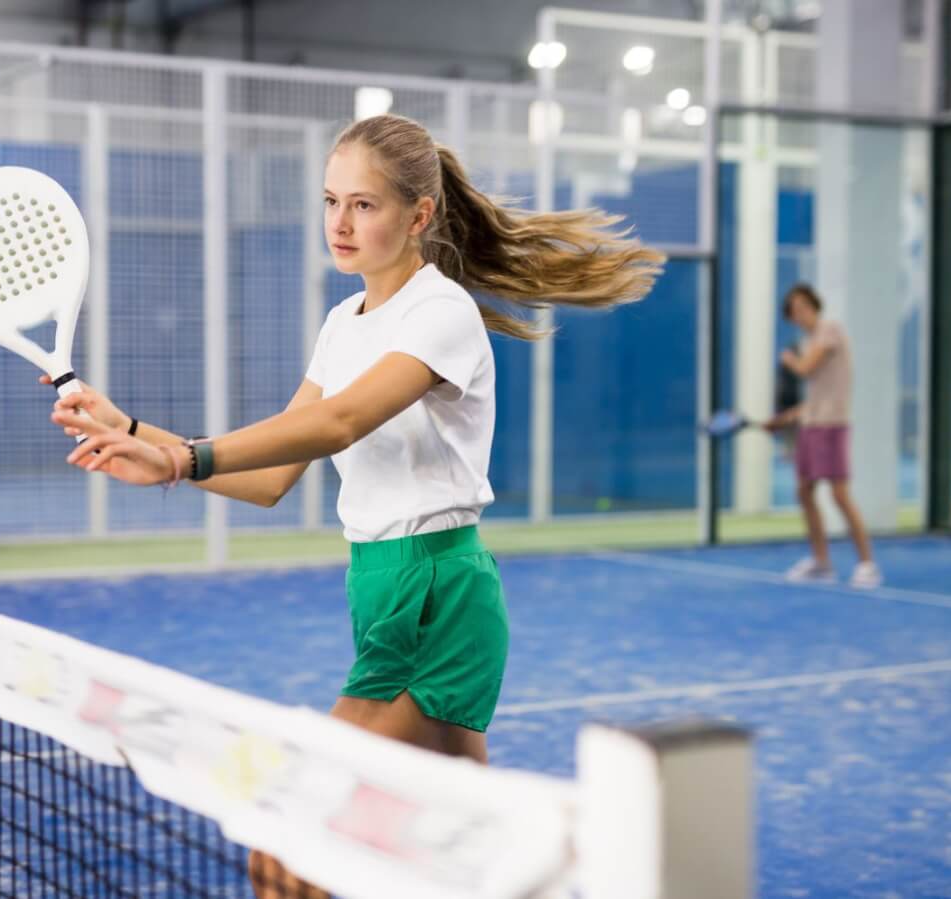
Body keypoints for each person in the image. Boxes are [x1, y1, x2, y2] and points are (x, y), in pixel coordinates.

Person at [46, 113, 661, 897]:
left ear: (419, 215)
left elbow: (341, 420)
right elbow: (274, 474)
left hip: (437, 597)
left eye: (364, 204)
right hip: (377, 593)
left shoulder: (442, 314)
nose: (340, 222)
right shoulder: (343, 324)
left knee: (294, 846)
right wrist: (131, 431)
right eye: (331, 201)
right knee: (470, 846)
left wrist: (179, 456)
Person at [765, 284, 882, 588]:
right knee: (804, 492)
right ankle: (821, 563)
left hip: (833, 426)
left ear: (815, 306)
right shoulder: (807, 341)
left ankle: (868, 565)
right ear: (790, 316)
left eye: (805, 305)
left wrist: (789, 360)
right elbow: (815, 397)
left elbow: (805, 369)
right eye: (795, 309)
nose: (801, 312)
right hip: (811, 424)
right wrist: (783, 419)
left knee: (839, 495)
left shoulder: (830, 330)